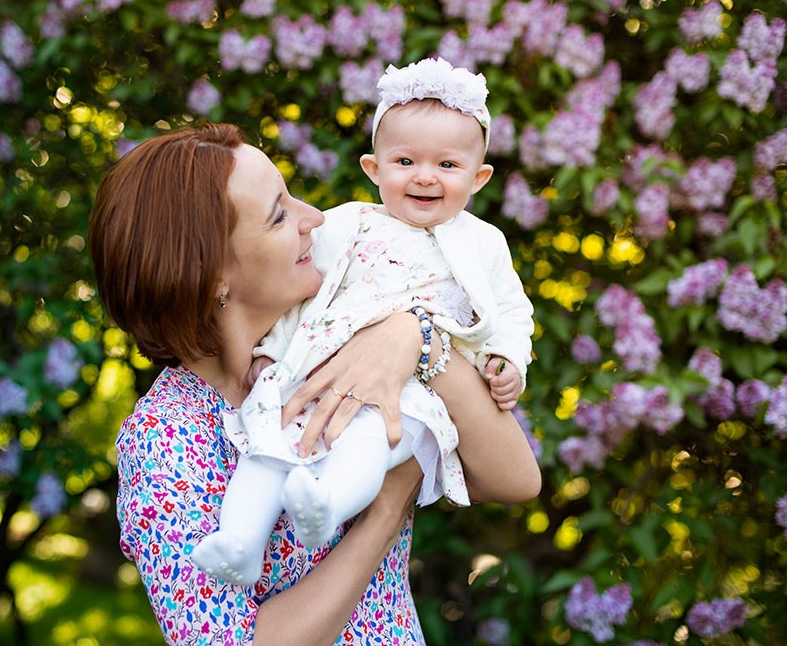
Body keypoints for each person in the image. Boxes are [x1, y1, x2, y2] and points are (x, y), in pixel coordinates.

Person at [88, 122, 541, 645]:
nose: (314, 218)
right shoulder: (166, 438)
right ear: (214, 276)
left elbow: (515, 480)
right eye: (279, 214)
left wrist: (418, 340)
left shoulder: (336, 335)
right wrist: (384, 513)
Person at [191, 58, 535, 586]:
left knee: (370, 441)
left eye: (447, 165)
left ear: (479, 177)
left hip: (408, 393)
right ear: (374, 169)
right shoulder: (348, 223)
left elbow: (512, 310)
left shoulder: (483, 243)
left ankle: (327, 505)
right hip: (315, 368)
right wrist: (273, 350)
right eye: (405, 161)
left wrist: (507, 359)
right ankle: (239, 543)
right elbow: (304, 299)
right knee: (268, 442)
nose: (424, 176)